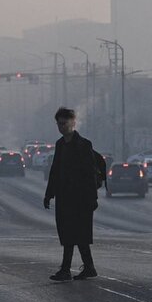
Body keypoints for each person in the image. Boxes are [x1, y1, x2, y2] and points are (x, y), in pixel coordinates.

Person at [43, 107, 104, 281]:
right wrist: (49, 194)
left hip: (81, 198)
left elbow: (90, 174)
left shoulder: (83, 145)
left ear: (73, 122)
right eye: (59, 124)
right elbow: (55, 171)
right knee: (71, 234)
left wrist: (92, 199)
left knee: (76, 234)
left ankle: (66, 269)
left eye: (64, 123)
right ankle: (88, 267)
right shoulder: (60, 144)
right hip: (64, 198)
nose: (61, 127)